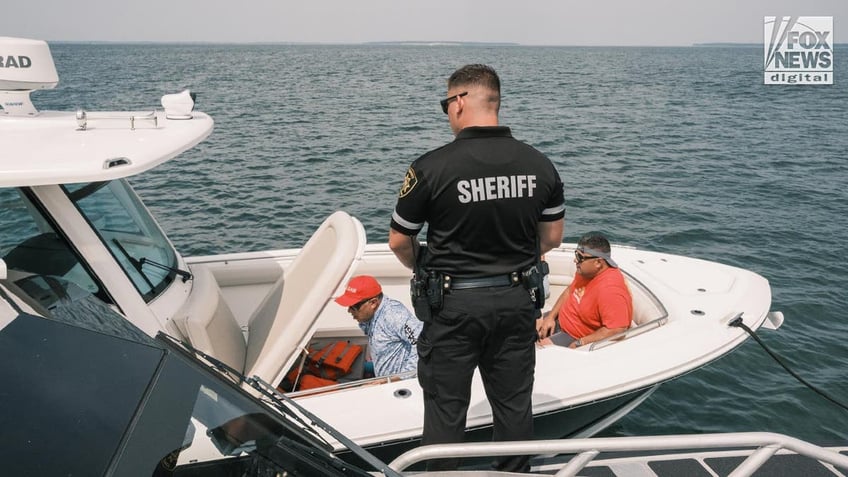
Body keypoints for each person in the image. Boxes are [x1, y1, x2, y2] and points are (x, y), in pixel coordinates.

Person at [388, 64, 565, 472]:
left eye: (446, 103)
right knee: (515, 409)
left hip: (453, 307)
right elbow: (552, 239)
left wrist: (425, 267)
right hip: (516, 300)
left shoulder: (429, 168)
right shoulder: (540, 164)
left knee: (446, 414)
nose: (446, 111)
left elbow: (400, 240)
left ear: (461, 102)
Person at [536, 233, 632, 348]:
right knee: (523, 325)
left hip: (574, 335)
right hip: (560, 321)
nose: (575, 261)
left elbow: (617, 330)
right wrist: (551, 317)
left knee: (536, 350)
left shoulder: (610, 290)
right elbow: (569, 290)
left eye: (580, 258)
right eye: (576, 255)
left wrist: (581, 342)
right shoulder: (586, 272)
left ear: (598, 263)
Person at [334, 275, 422, 377]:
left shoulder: (394, 315)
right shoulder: (370, 316)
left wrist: (400, 378)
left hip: (401, 386)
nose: (349, 310)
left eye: (354, 306)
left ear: (373, 303)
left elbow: (422, 342)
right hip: (385, 383)